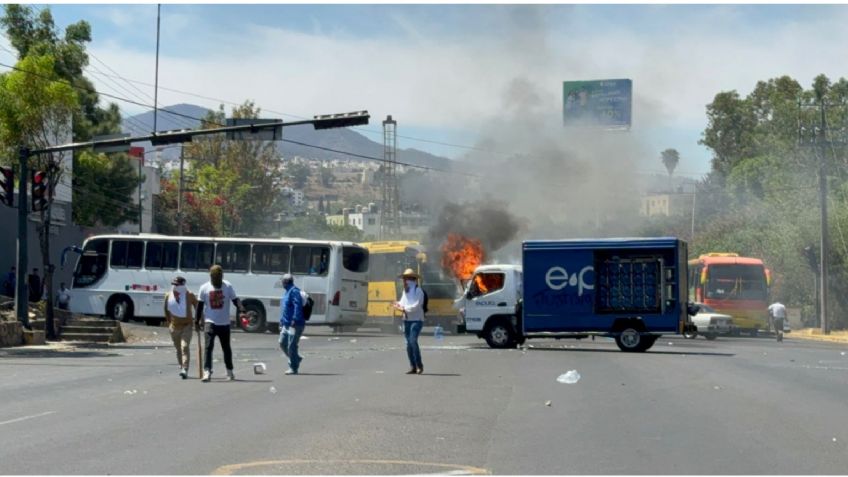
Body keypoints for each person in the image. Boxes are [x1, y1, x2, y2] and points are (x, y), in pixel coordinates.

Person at [195, 265, 246, 382]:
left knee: (226, 348)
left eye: (219, 277)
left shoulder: (227, 286)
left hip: (224, 323)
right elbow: (200, 306)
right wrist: (196, 321)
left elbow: (235, 300)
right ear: (211, 277)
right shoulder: (204, 288)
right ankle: (207, 371)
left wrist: (242, 310)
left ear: (222, 276)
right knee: (208, 347)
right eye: (215, 277)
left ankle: (229, 371)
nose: (217, 280)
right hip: (210, 322)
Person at [164, 276, 197, 379]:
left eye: (177, 285)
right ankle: (182, 366)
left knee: (184, 347)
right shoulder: (168, 296)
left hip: (186, 326)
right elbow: (166, 310)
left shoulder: (189, 295)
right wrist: (170, 323)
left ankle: (185, 369)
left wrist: (199, 321)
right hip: (174, 327)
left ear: (183, 285)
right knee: (178, 349)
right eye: (174, 285)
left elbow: (197, 307)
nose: (175, 287)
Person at [393, 268, 425, 374]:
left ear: (411, 279)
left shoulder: (418, 290)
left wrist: (404, 309)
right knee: (408, 344)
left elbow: (416, 306)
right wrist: (397, 304)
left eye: (405, 279)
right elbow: (402, 302)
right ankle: (413, 366)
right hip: (407, 320)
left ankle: (419, 365)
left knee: (412, 341)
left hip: (417, 320)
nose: (404, 281)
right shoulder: (405, 290)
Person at [278, 273, 305, 375]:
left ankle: (293, 367)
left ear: (286, 282)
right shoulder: (287, 292)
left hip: (294, 324)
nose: (281, 283)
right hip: (286, 324)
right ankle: (296, 358)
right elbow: (286, 308)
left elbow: (297, 305)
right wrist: (281, 320)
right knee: (282, 342)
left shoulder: (294, 291)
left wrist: (295, 318)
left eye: (282, 281)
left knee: (291, 346)